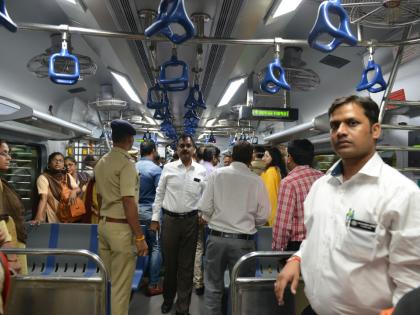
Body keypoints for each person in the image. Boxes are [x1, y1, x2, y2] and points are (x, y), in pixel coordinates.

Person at [274, 95, 420, 315]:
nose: (340, 131)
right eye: (334, 125)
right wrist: (297, 258)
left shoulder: (400, 193)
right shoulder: (320, 187)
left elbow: (412, 279)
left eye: (352, 123)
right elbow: (316, 237)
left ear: (375, 130)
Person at [198, 141, 270, 315]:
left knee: (213, 286)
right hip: (243, 242)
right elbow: (263, 216)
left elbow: (205, 207)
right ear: (251, 158)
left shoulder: (217, 175)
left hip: (216, 239)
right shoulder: (257, 181)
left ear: (233, 155)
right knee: (241, 289)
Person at [94, 120, 148, 315]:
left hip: (104, 226)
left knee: (104, 281)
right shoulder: (126, 164)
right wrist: (139, 236)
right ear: (129, 139)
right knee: (120, 288)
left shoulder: (101, 162)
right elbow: (128, 201)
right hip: (121, 230)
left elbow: (99, 197)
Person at [151, 134, 206, 315]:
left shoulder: (201, 171)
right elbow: (159, 194)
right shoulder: (168, 168)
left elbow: (205, 197)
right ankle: (168, 299)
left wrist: (203, 214)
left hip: (191, 222)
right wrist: (154, 218)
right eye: (181, 145)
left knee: (186, 266)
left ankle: (183, 307)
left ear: (193, 149)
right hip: (170, 221)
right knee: (171, 265)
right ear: (177, 149)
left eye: (188, 146)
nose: (184, 148)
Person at [272, 139, 323, 251]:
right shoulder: (323, 178)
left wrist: (278, 249)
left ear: (289, 157)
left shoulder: (288, 182)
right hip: (320, 242)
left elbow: (283, 224)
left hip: (297, 245)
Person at [135, 141, 163, 296]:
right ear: (153, 150)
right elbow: (160, 195)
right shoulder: (156, 169)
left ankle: (138, 277)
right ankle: (153, 284)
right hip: (150, 213)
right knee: (155, 247)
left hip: (133, 214)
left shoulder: (132, 167)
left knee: (136, 246)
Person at [193, 145, 218, 296]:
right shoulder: (216, 173)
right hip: (212, 217)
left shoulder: (197, 169)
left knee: (198, 248)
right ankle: (211, 281)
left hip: (196, 214)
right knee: (211, 250)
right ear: (214, 157)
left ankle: (198, 282)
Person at [33, 152, 82, 223]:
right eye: (54, 160)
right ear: (49, 163)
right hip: (52, 217)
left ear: (63, 165)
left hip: (67, 217)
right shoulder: (44, 178)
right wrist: (38, 217)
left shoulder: (67, 176)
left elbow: (77, 188)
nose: (57, 162)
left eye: (60, 161)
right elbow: (43, 198)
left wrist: (74, 192)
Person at [0, 140, 25, 274]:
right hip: (6, 250)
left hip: (12, 243)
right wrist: (12, 258)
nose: (9, 158)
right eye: (4, 154)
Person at [260, 147, 287, 226]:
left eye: (266, 156)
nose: (263, 158)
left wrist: (271, 221)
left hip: (269, 219)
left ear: (273, 158)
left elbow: (271, 197)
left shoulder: (270, 172)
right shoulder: (277, 170)